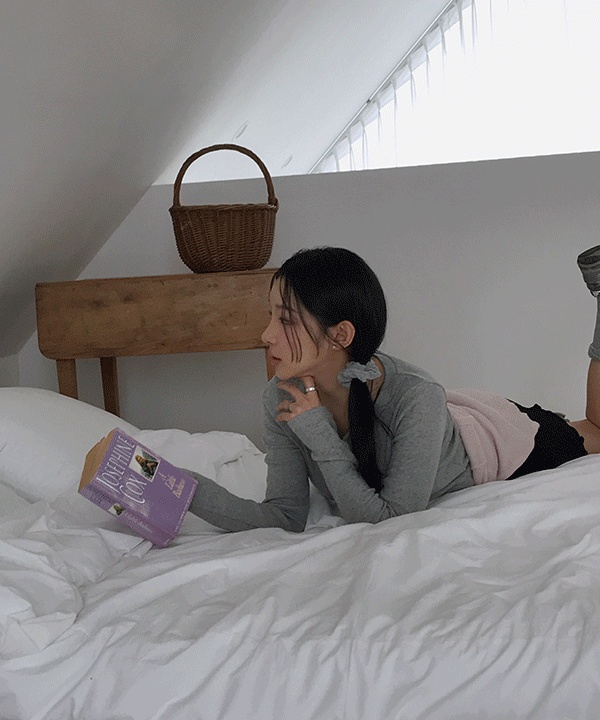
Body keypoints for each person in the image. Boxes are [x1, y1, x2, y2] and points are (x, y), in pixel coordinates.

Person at [185, 245, 600, 532]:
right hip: (446, 420)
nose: (266, 335)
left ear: (340, 335)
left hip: (503, 440)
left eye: (286, 320)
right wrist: (185, 489)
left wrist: (320, 436)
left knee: (596, 428)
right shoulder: (281, 396)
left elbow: (390, 519)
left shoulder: (415, 395)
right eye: (271, 316)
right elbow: (284, 515)